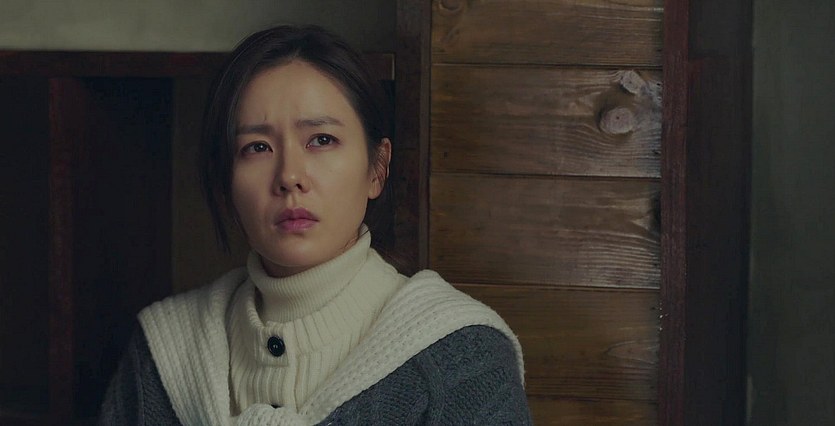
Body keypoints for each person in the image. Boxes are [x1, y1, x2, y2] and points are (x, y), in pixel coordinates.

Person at [98, 24, 531, 425]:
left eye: (322, 140)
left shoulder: (462, 356)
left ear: (377, 168)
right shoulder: (163, 353)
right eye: (257, 147)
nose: (290, 176)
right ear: (224, 182)